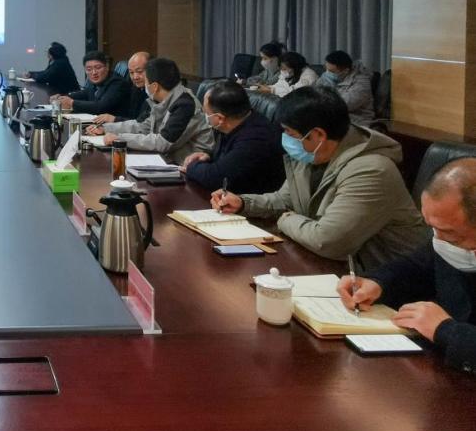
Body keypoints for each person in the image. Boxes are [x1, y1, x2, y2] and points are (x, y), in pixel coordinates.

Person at [213, 86, 427, 270]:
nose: (285, 139)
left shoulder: (372, 171)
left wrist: (285, 219)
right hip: (330, 267)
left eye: (289, 133)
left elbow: (328, 241)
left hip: (385, 284)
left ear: (318, 135)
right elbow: (285, 199)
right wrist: (243, 203)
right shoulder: (311, 154)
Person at [338, 158, 476, 373]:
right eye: (432, 227)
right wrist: (378, 283)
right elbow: (418, 266)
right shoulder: (445, 236)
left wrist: (445, 331)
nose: (438, 239)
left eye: (449, 233)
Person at [89, 57, 215, 164]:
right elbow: (143, 126)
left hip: (187, 166)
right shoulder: (164, 99)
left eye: (146, 81)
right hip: (168, 160)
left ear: (154, 86)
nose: (144, 85)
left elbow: (162, 142)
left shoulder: (185, 104)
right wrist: (106, 128)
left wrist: (120, 138)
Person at [181, 79, 285, 194]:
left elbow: (215, 178)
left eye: (206, 113)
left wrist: (191, 166)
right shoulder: (235, 122)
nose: (206, 116)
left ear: (220, 118)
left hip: (249, 200)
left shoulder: (256, 139)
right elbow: (227, 159)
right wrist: (208, 156)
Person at [53, 51, 136, 118]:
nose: (94, 73)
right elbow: (84, 93)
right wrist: (61, 98)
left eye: (98, 68)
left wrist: (71, 103)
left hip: (115, 127)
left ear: (107, 66)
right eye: (89, 69)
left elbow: (100, 107)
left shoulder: (117, 83)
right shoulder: (95, 81)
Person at [91, 51, 151, 125]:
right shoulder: (135, 89)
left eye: (139, 71)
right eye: (131, 72)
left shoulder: (154, 94)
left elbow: (143, 125)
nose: (135, 77)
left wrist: (115, 119)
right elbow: (130, 117)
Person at [317, 50, 374, 126]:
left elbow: (344, 105)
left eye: (331, 71)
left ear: (346, 71)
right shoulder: (326, 77)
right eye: (326, 69)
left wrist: (319, 102)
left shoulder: (361, 82)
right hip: (332, 116)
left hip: (356, 121)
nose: (327, 73)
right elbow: (314, 94)